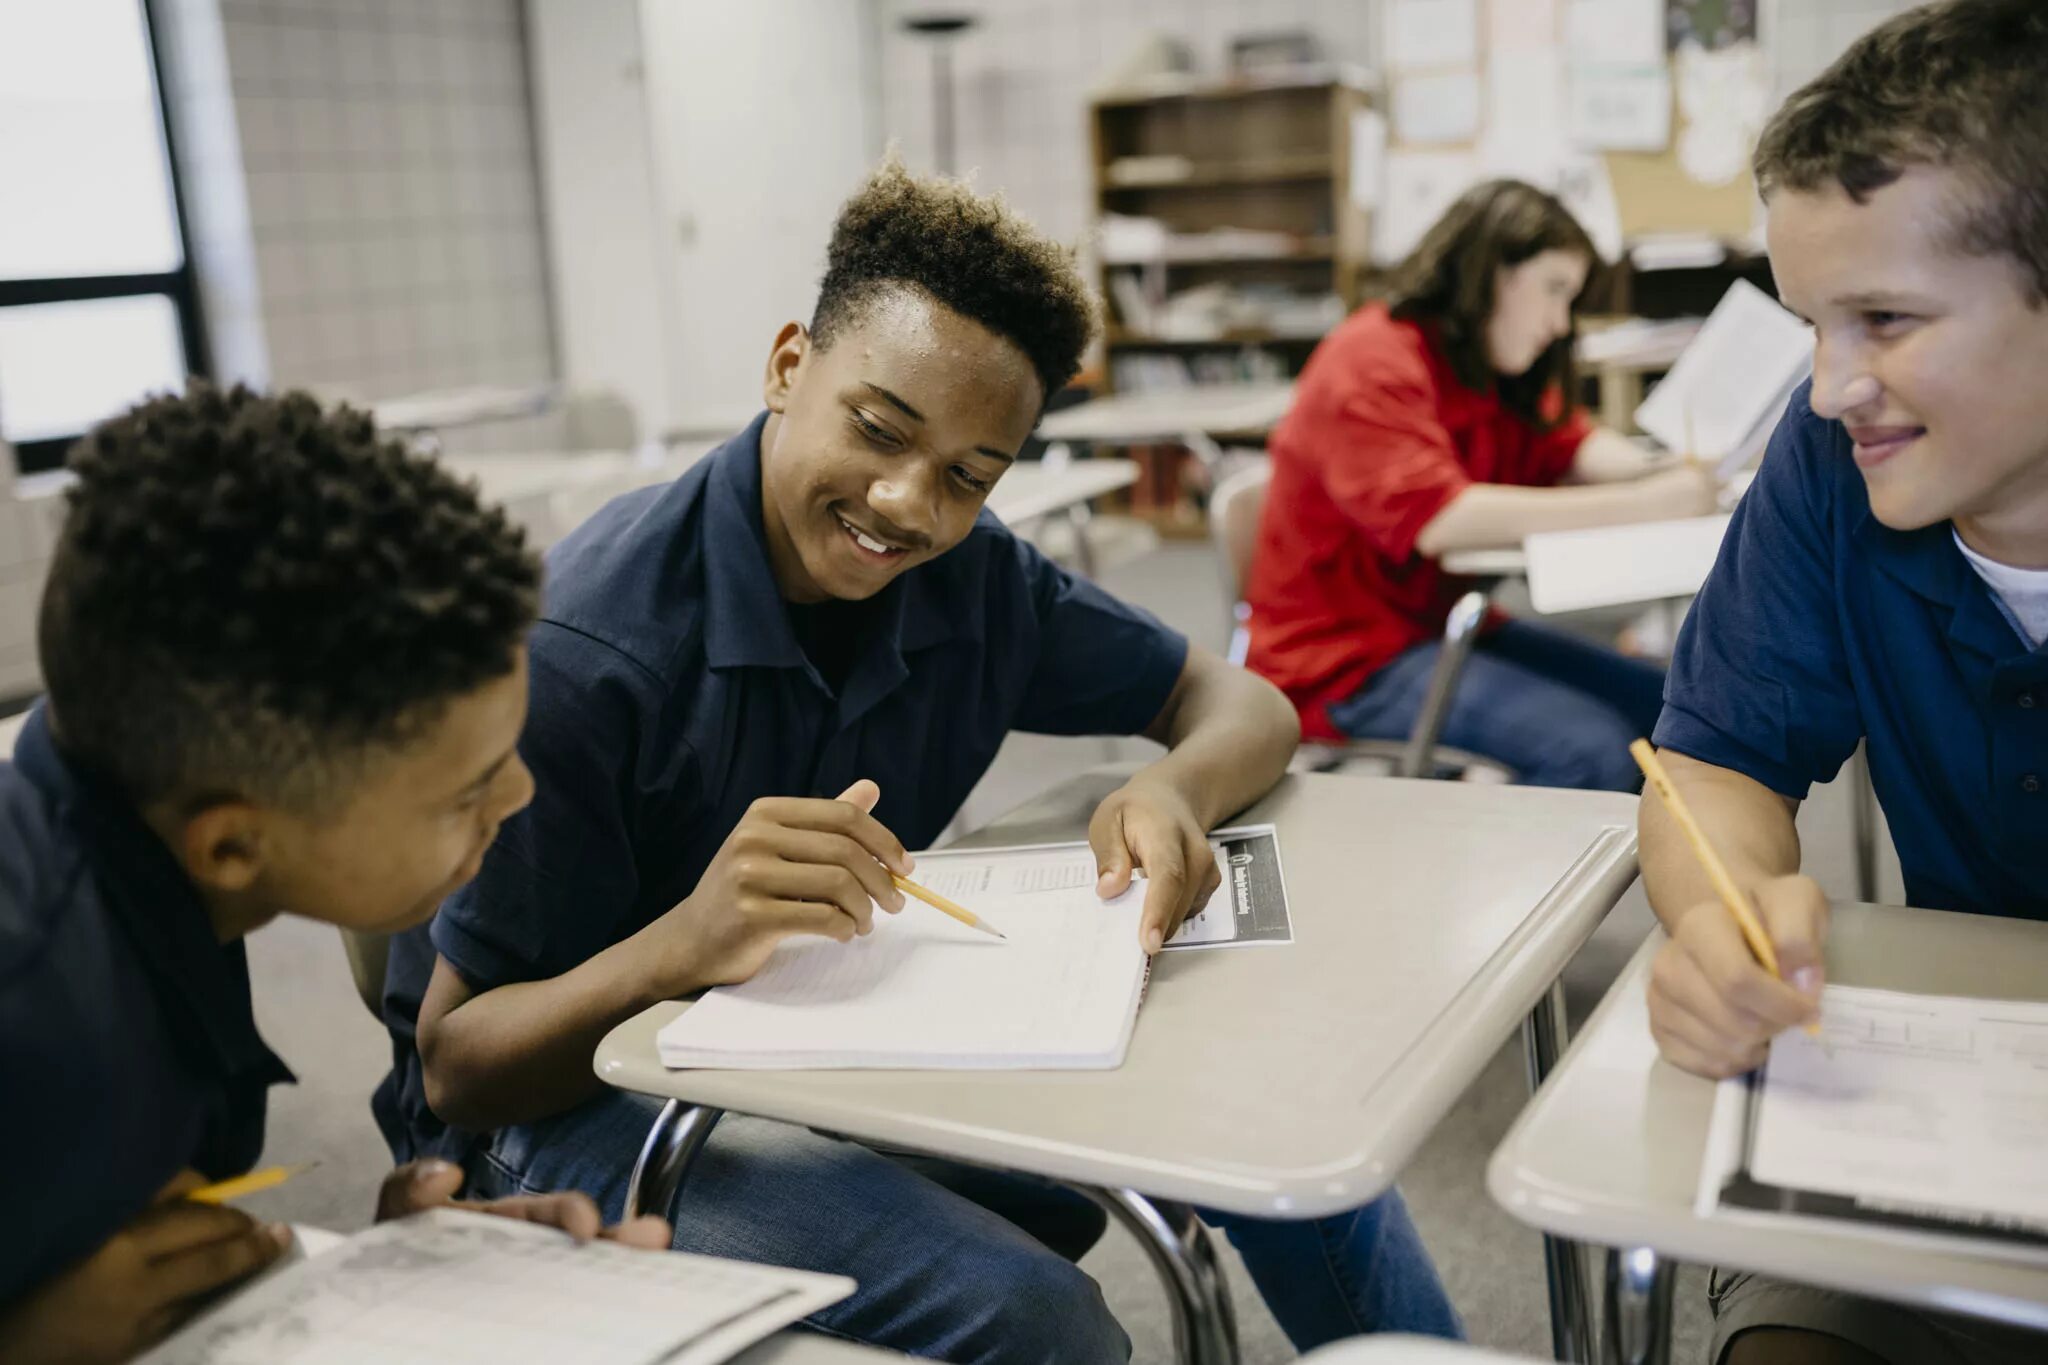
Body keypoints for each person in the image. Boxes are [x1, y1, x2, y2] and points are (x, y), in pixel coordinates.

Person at [376, 159, 1462, 1360]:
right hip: (570, 1099)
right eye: (879, 430)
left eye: (968, 476)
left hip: (803, 1021)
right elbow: (458, 1069)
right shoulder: (590, 653)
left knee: (1276, 1122)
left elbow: (1241, 701)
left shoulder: (971, 576)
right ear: (790, 366)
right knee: (1037, 1318)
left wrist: (1164, 784)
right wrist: (683, 944)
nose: (905, 504)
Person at [0, 386, 666, 1365]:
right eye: (463, 792)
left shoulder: (139, 835)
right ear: (231, 844)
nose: (519, 795)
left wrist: (367, 1278)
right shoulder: (33, 1005)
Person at [1636, 3, 2048, 1361]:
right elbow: (1715, 762)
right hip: (1954, 1105)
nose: (1825, 389)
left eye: (1885, 319)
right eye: (1813, 322)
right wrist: (1730, 918)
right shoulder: (1833, 477)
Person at [1245, 178, 1720, 789]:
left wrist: (1664, 468)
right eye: (1554, 291)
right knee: (1592, 753)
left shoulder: (1489, 361)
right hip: (1345, 663)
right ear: (1491, 271)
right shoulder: (1370, 360)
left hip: (1441, 625)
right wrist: (1646, 503)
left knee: (1675, 708)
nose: (1559, 322)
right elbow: (1445, 520)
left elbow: (1571, 443)